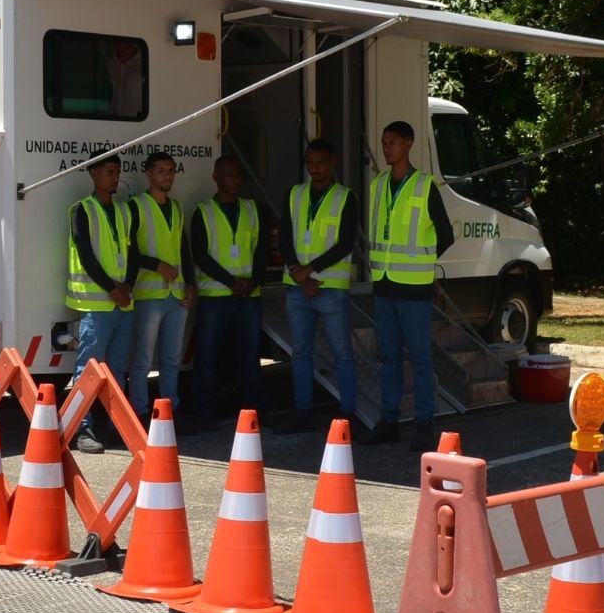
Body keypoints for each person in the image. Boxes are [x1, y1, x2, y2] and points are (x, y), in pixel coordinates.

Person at [365, 120, 457, 450]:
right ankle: (389, 420)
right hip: (385, 285)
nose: (386, 148)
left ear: (408, 144)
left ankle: (423, 425)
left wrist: (425, 262)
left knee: (420, 359)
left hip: (414, 287)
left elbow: (446, 234)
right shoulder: (377, 185)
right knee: (388, 358)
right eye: (384, 142)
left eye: (392, 142)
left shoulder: (424, 185)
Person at [284, 138, 358, 433]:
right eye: (310, 163)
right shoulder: (294, 194)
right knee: (300, 353)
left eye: (321, 163)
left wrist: (310, 271)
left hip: (330, 288)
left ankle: (347, 415)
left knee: (342, 353)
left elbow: (345, 243)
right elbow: (286, 236)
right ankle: (302, 413)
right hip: (299, 288)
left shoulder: (345, 197)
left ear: (332, 163)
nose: (315, 169)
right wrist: (298, 274)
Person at [66, 155, 136, 454]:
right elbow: (86, 256)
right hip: (98, 304)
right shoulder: (82, 210)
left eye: (117, 172)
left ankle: (114, 426)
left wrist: (128, 287)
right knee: (87, 370)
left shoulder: (123, 211)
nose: (114, 178)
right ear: (93, 174)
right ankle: (81, 429)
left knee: (119, 370)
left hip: (122, 303)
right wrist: (113, 289)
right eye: (109, 172)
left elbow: (134, 252)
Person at [190, 155, 266, 430]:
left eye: (237, 176)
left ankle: (254, 414)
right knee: (207, 357)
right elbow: (200, 255)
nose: (235, 181)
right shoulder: (204, 211)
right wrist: (231, 281)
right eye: (228, 175)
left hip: (248, 296)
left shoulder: (252, 209)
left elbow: (261, 250)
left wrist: (252, 281)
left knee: (250, 356)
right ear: (216, 178)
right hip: (215, 297)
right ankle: (205, 415)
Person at [127, 152, 192, 422]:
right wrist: (156, 265)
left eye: (171, 170)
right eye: (161, 170)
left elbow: (183, 249)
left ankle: (169, 409)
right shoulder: (136, 206)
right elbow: (129, 251)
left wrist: (191, 284)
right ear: (148, 174)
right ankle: (140, 411)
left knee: (171, 359)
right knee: (142, 360)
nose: (167, 175)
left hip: (176, 294)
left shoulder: (176, 207)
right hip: (149, 294)